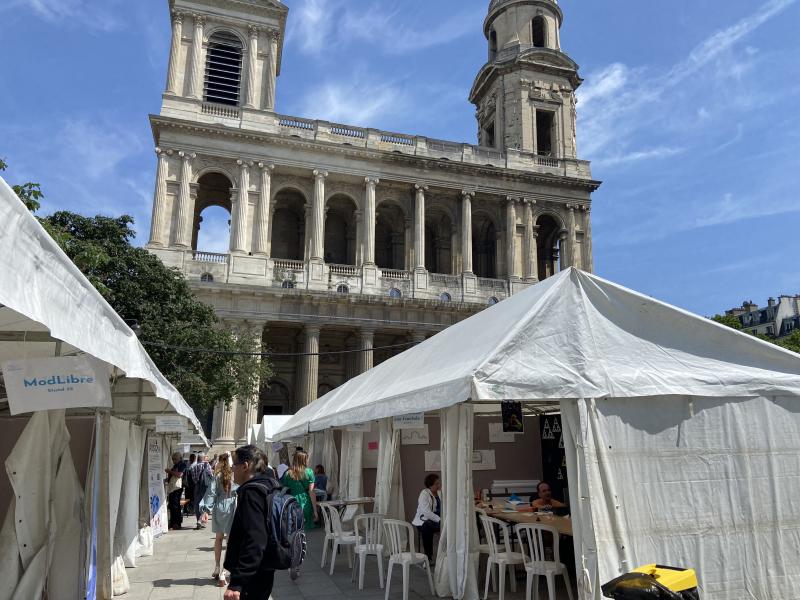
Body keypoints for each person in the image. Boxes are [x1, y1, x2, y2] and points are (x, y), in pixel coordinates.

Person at [223, 445, 279, 600]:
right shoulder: (271, 484)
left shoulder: (251, 492)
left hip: (253, 574)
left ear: (245, 466)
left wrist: (237, 582)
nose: (232, 469)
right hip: (267, 566)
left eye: (234, 465)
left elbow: (255, 538)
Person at [201, 452, 238, 587]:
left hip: (219, 506)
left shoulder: (217, 476)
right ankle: (224, 572)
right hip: (232, 507)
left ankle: (217, 567)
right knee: (229, 541)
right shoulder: (235, 476)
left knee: (218, 538)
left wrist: (205, 510)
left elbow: (211, 493)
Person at [281, 450, 318, 529]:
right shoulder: (309, 472)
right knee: (307, 530)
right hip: (306, 503)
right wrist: (315, 510)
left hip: (292, 502)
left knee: (295, 528)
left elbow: (285, 488)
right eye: (307, 458)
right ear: (304, 460)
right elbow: (312, 492)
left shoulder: (288, 473)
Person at [412, 473, 441, 562]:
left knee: (449, 526)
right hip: (423, 520)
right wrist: (440, 520)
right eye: (436, 484)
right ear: (430, 485)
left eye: (439, 483)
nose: (438, 485)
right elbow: (426, 512)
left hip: (437, 519)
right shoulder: (424, 494)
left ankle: (447, 554)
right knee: (426, 527)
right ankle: (428, 557)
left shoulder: (440, 493)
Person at [188, 453, 212, 529]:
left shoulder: (194, 466)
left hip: (197, 486)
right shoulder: (206, 465)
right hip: (205, 486)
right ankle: (202, 521)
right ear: (204, 458)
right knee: (205, 503)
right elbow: (210, 475)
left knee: (197, 503)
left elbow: (193, 478)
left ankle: (199, 519)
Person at [165, 452, 187, 530]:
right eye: (173, 459)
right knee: (172, 505)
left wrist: (169, 471)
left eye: (175, 459)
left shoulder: (182, 464)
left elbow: (179, 474)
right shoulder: (176, 465)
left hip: (177, 488)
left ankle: (176, 523)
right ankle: (173, 522)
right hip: (173, 487)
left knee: (175, 505)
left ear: (179, 458)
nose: (174, 461)